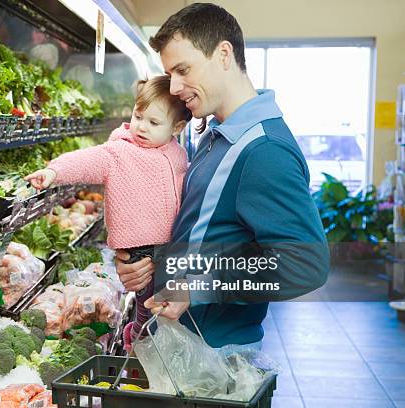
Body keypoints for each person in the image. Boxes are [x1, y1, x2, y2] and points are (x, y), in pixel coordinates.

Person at [116, 3, 330, 351]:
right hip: (179, 348)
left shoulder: (263, 150)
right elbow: (207, 229)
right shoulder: (218, 133)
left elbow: (305, 264)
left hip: (214, 362)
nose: (173, 87)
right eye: (170, 74)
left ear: (224, 54)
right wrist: (151, 259)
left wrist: (196, 286)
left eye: (183, 70)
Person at [25, 76, 191, 350]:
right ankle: (136, 342)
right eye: (138, 117)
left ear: (178, 127)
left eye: (154, 123)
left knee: (163, 307)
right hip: (139, 249)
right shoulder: (119, 152)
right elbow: (87, 160)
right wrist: (54, 171)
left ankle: (143, 339)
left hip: (170, 247)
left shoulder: (177, 153)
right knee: (148, 306)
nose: (142, 127)